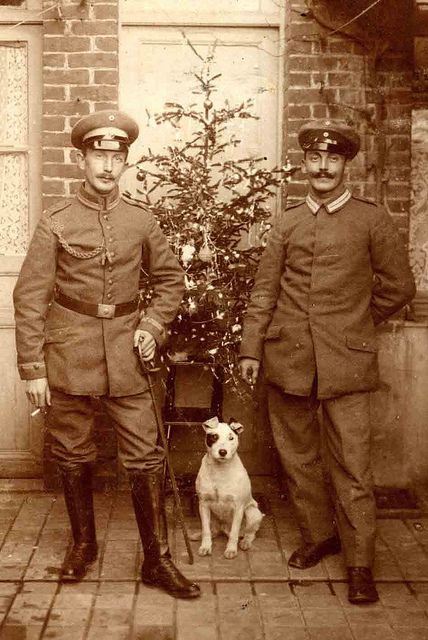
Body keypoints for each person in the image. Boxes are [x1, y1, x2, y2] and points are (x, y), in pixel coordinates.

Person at [13, 110, 200, 599]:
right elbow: (30, 297)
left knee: (144, 454)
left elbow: (169, 281)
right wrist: (33, 368)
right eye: (99, 155)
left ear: (125, 162)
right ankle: (82, 546)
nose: (108, 166)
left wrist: (153, 327)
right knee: (72, 450)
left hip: (128, 353)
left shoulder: (140, 220)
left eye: (117, 157)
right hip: (69, 350)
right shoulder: (55, 222)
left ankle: (156, 561)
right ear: (82, 159)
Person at [239, 119, 416, 604]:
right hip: (289, 357)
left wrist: (357, 322)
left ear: (345, 165)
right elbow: (265, 290)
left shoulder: (371, 219)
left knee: (354, 465)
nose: (322, 167)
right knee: (297, 456)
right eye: (315, 159)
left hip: (348, 364)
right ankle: (320, 536)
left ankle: (360, 562)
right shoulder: (287, 220)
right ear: (304, 164)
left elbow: (400, 288)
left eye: (332, 159)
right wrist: (252, 348)